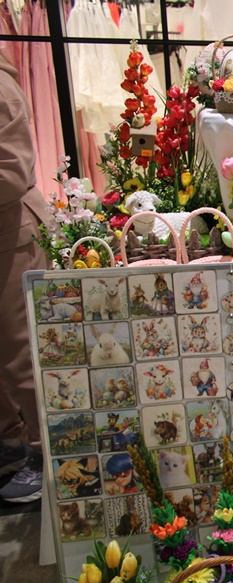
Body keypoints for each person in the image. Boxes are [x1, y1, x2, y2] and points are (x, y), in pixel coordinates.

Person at [0, 53, 49, 503]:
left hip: (10, 233)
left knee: (23, 350)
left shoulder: (1, 86)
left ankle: (44, 451)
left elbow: (12, 171)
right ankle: (12, 438)